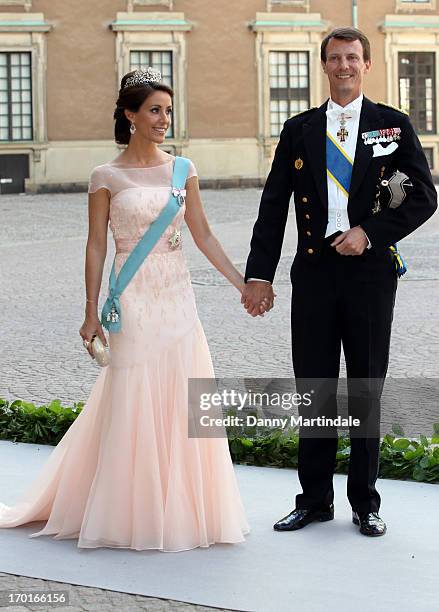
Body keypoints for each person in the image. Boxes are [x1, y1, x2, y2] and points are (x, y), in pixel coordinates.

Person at [0, 67, 250, 552]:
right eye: (154, 110)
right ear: (130, 115)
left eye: (168, 111)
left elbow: (203, 234)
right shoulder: (105, 176)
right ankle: (127, 509)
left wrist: (242, 284)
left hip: (178, 296)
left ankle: (179, 510)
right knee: (132, 392)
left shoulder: (184, 169)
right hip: (131, 299)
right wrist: (90, 311)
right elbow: (96, 246)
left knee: (183, 392)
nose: (163, 120)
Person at [242, 28, 437, 536]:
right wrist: (258, 274)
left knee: (366, 386)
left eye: (353, 57)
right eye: (335, 58)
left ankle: (365, 503)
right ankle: (313, 499)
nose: (344, 65)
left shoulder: (392, 126)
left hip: (369, 274)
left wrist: (369, 233)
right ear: (324, 66)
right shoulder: (300, 128)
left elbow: (423, 197)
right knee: (316, 388)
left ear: (366, 64)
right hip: (313, 274)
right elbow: (272, 206)